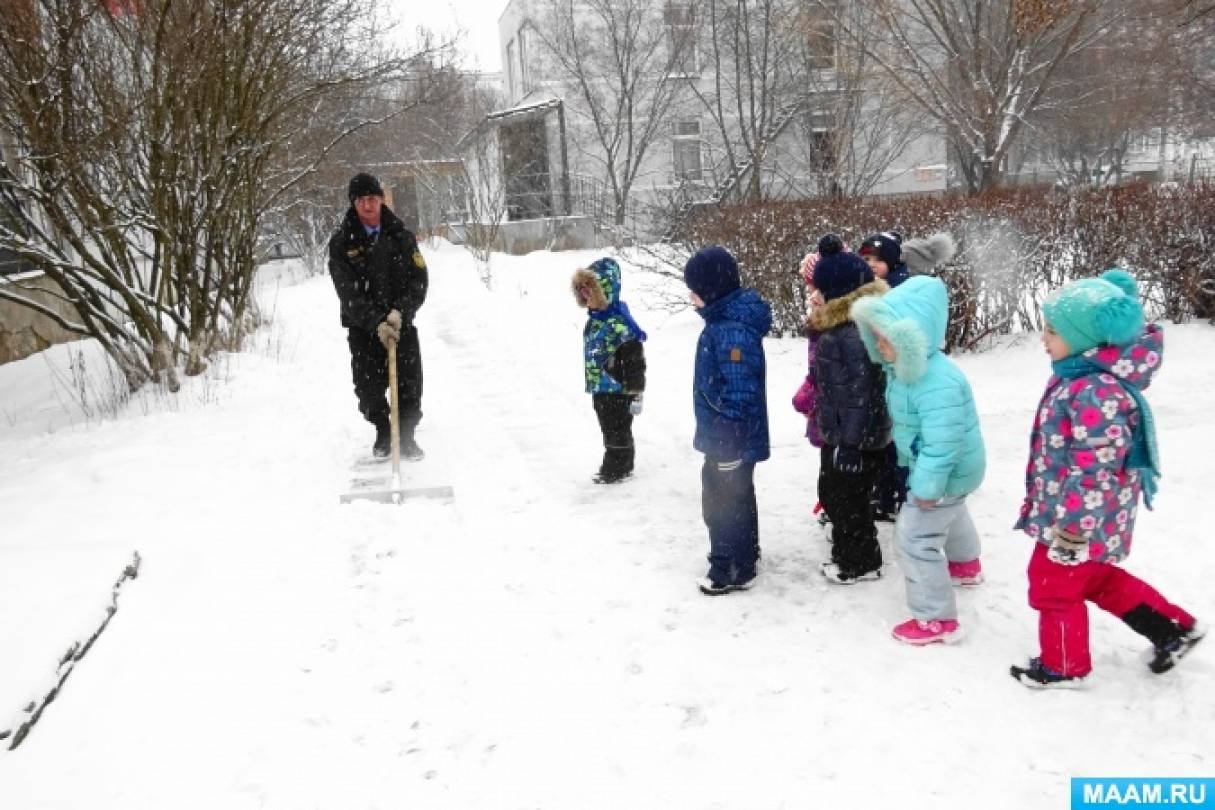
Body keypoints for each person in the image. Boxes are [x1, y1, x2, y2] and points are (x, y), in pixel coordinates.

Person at [1008, 269, 1204, 688]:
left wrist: (1072, 530)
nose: (1043, 338)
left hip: (1078, 519)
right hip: (1088, 515)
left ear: (1085, 338)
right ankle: (1172, 628)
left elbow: (1094, 470)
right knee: (1096, 578)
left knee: (1053, 585)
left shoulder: (1095, 389)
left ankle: (1063, 666)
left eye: (1053, 331)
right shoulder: (1078, 376)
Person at [851, 275, 987, 645]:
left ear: (914, 338)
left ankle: (935, 618)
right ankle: (965, 563)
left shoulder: (935, 382)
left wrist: (926, 486)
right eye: (875, 335)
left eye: (888, 337)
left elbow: (943, 444)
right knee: (952, 509)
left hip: (945, 468)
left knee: (914, 537)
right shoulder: (907, 372)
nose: (879, 343)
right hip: (955, 471)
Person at [683, 246, 771, 595]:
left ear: (712, 289)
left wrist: (729, 443)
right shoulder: (724, 324)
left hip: (729, 439)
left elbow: (740, 392)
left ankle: (730, 568)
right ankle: (743, 554)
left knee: (723, 502)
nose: (690, 295)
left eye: (695, 288)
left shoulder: (731, 331)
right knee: (737, 496)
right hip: (728, 436)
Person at [328, 172, 429, 459]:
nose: (368, 206)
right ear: (353, 204)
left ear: (381, 200)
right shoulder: (342, 244)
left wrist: (400, 312)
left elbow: (419, 280)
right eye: (361, 200)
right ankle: (384, 430)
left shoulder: (402, 237)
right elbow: (348, 294)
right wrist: (376, 322)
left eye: (372, 199)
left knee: (409, 384)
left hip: (401, 325)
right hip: (364, 329)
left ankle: (406, 436)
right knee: (368, 388)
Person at [809, 234, 892, 584]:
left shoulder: (853, 334)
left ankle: (860, 562)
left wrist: (851, 445)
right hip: (842, 434)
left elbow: (862, 394)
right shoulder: (839, 328)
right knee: (833, 493)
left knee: (850, 502)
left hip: (855, 439)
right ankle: (846, 550)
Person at [571, 257, 647, 484]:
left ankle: (617, 467)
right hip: (600, 385)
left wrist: (635, 390)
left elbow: (635, 360)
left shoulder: (619, 324)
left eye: (589, 294)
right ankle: (620, 462)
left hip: (617, 387)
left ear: (603, 292)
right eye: (582, 294)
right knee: (607, 426)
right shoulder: (595, 321)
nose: (585, 299)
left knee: (617, 428)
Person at [791, 251, 829, 534]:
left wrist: (811, 389)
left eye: (815, 287)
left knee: (836, 464)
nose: (811, 294)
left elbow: (826, 367)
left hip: (833, 407)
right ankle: (829, 502)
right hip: (825, 405)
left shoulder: (836, 322)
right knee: (829, 461)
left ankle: (835, 505)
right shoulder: (821, 315)